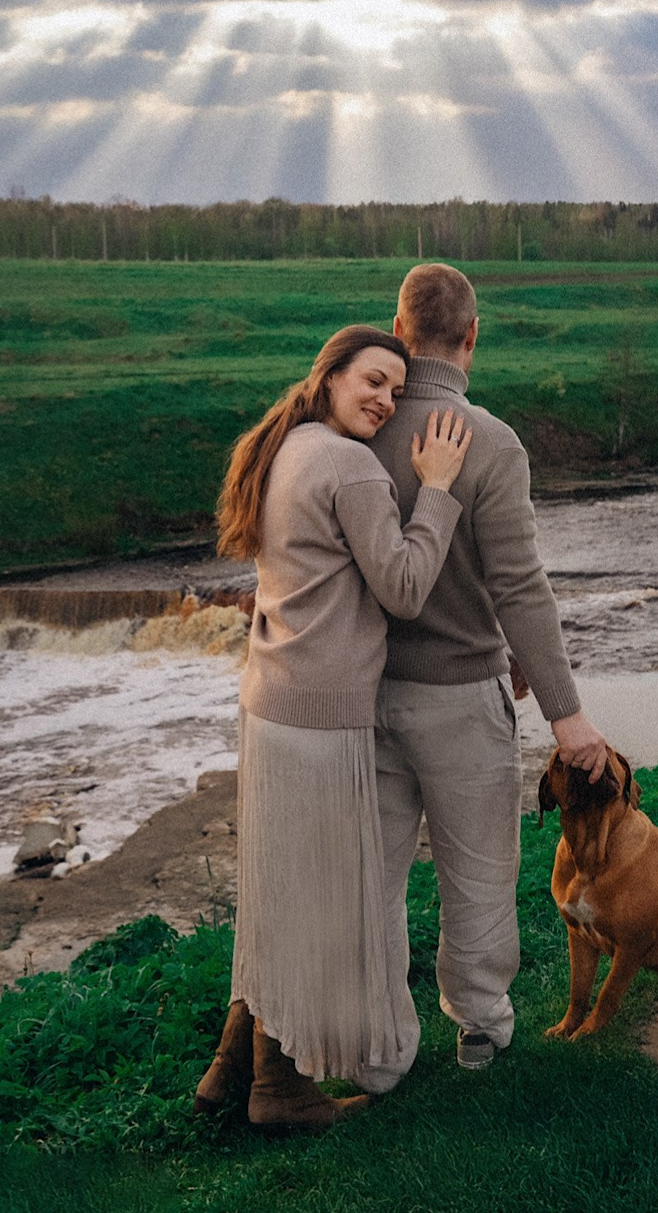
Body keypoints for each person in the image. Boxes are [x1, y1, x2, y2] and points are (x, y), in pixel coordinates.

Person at [194, 324, 471, 1131]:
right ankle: (279, 1088)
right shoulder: (350, 465)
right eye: (372, 381)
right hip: (318, 719)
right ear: (330, 376)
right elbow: (405, 588)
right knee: (311, 904)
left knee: (274, 894)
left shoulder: (285, 447)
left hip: (271, 702)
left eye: (395, 389)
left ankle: (229, 1069)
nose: (384, 401)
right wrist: (438, 489)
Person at [362, 263, 607, 1085]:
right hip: (464, 698)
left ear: (399, 331)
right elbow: (518, 587)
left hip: (366, 694)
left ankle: (378, 1054)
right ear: (472, 337)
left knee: (374, 881)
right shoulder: (492, 442)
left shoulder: (354, 429)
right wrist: (566, 714)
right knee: (476, 875)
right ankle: (480, 1030)